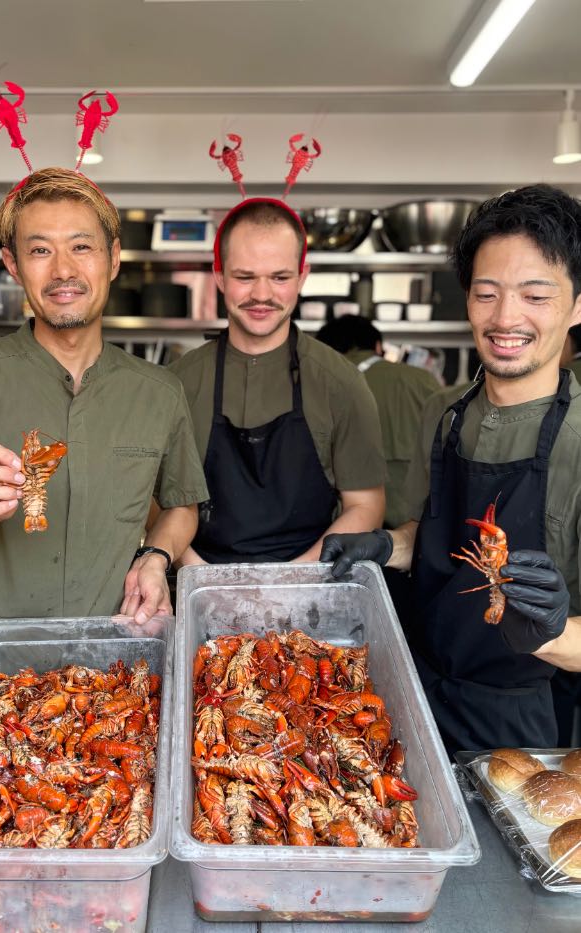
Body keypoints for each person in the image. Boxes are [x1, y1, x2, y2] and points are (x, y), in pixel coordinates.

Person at [0, 167, 208, 718]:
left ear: (112, 256)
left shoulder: (158, 391)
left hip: (109, 691)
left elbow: (181, 505)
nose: (63, 270)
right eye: (40, 250)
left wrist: (155, 556)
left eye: (81, 247)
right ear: (13, 264)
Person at [321, 183, 581, 755]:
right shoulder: (446, 411)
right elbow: (438, 537)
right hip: (414, 691)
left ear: (577, 305)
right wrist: (385, 546)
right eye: (486, 293)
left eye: (536, 296)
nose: (505, 317)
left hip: (518, 720)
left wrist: (555, 630)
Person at [169, 198, 386, 565]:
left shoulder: (340, 382)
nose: (262, 295)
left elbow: (366, 505)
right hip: (200, 585)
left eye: (280, 277)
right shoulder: (177, 383)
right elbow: (159, 504)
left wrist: (289, 582)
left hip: (308, 589)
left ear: (302, 277)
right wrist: (202, 578)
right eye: (244, 277)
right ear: (219, 277)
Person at [315, 315, 440, 529]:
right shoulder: (421, 380)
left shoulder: (318, 384)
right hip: (413, 527)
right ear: (378, 346)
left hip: (343, 528)